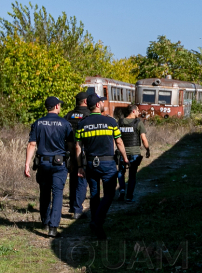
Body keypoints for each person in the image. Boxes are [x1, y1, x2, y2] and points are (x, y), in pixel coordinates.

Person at [74, 93, 129, 239]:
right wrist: (125, 158)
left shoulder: (82, 124)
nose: (103, 103)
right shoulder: (110, 122)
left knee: (94, 193)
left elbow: (78, 147)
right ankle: (97, 222)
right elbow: (119, 142)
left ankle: (94, 221)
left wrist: (80, 165)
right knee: (110, 193)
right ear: (97, 105)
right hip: (107, 163)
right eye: (101, 102)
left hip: (91, 163)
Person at [24, 96, 74, 238]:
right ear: (57, 106)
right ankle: (53, 227)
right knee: (57, 193)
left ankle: (45, 222)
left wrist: (27, 164)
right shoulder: (65, 124)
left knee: (44, 192)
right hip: (59, 163)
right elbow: (70, 144)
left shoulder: (38, 123)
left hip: (43, 163)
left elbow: (32, 144)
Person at [64, 91, 90, 219]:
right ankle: (78, 210)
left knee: (73, 178)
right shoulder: (88, 115)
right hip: (82, 150)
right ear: (85, 101)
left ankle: (72, 205)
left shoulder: (68, 115)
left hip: (69, 151)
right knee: (81, 178)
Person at [117, 105, 150, 202]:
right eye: (138, 111)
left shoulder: (120, 122)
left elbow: (116, 138)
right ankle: (129, 196)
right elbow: (143, 139)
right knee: (132, 175)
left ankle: (122, 189)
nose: (139, 113)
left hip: (122, 152)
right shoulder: (138, 123)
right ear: (133, 111)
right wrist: (147, 149)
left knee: (121, 172)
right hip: (134, 153)